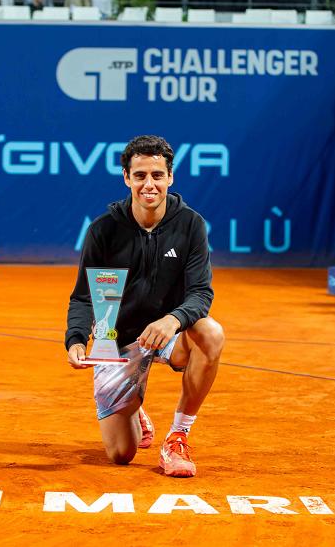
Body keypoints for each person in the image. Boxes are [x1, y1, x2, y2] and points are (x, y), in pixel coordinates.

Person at [65, 135, 224, 478]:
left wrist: (173, 319)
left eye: (156, 175)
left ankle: (177, 436)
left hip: (169, 334)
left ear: (170, 177)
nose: (148, 184)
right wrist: (76, 339)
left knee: (210, 334)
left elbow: (200, 293)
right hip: (119, 339)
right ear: (127, 178)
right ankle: (134, 408)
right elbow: (83, 296)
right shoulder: (104, 230)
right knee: (122, 454)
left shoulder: (190, 225)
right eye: (140, 176)